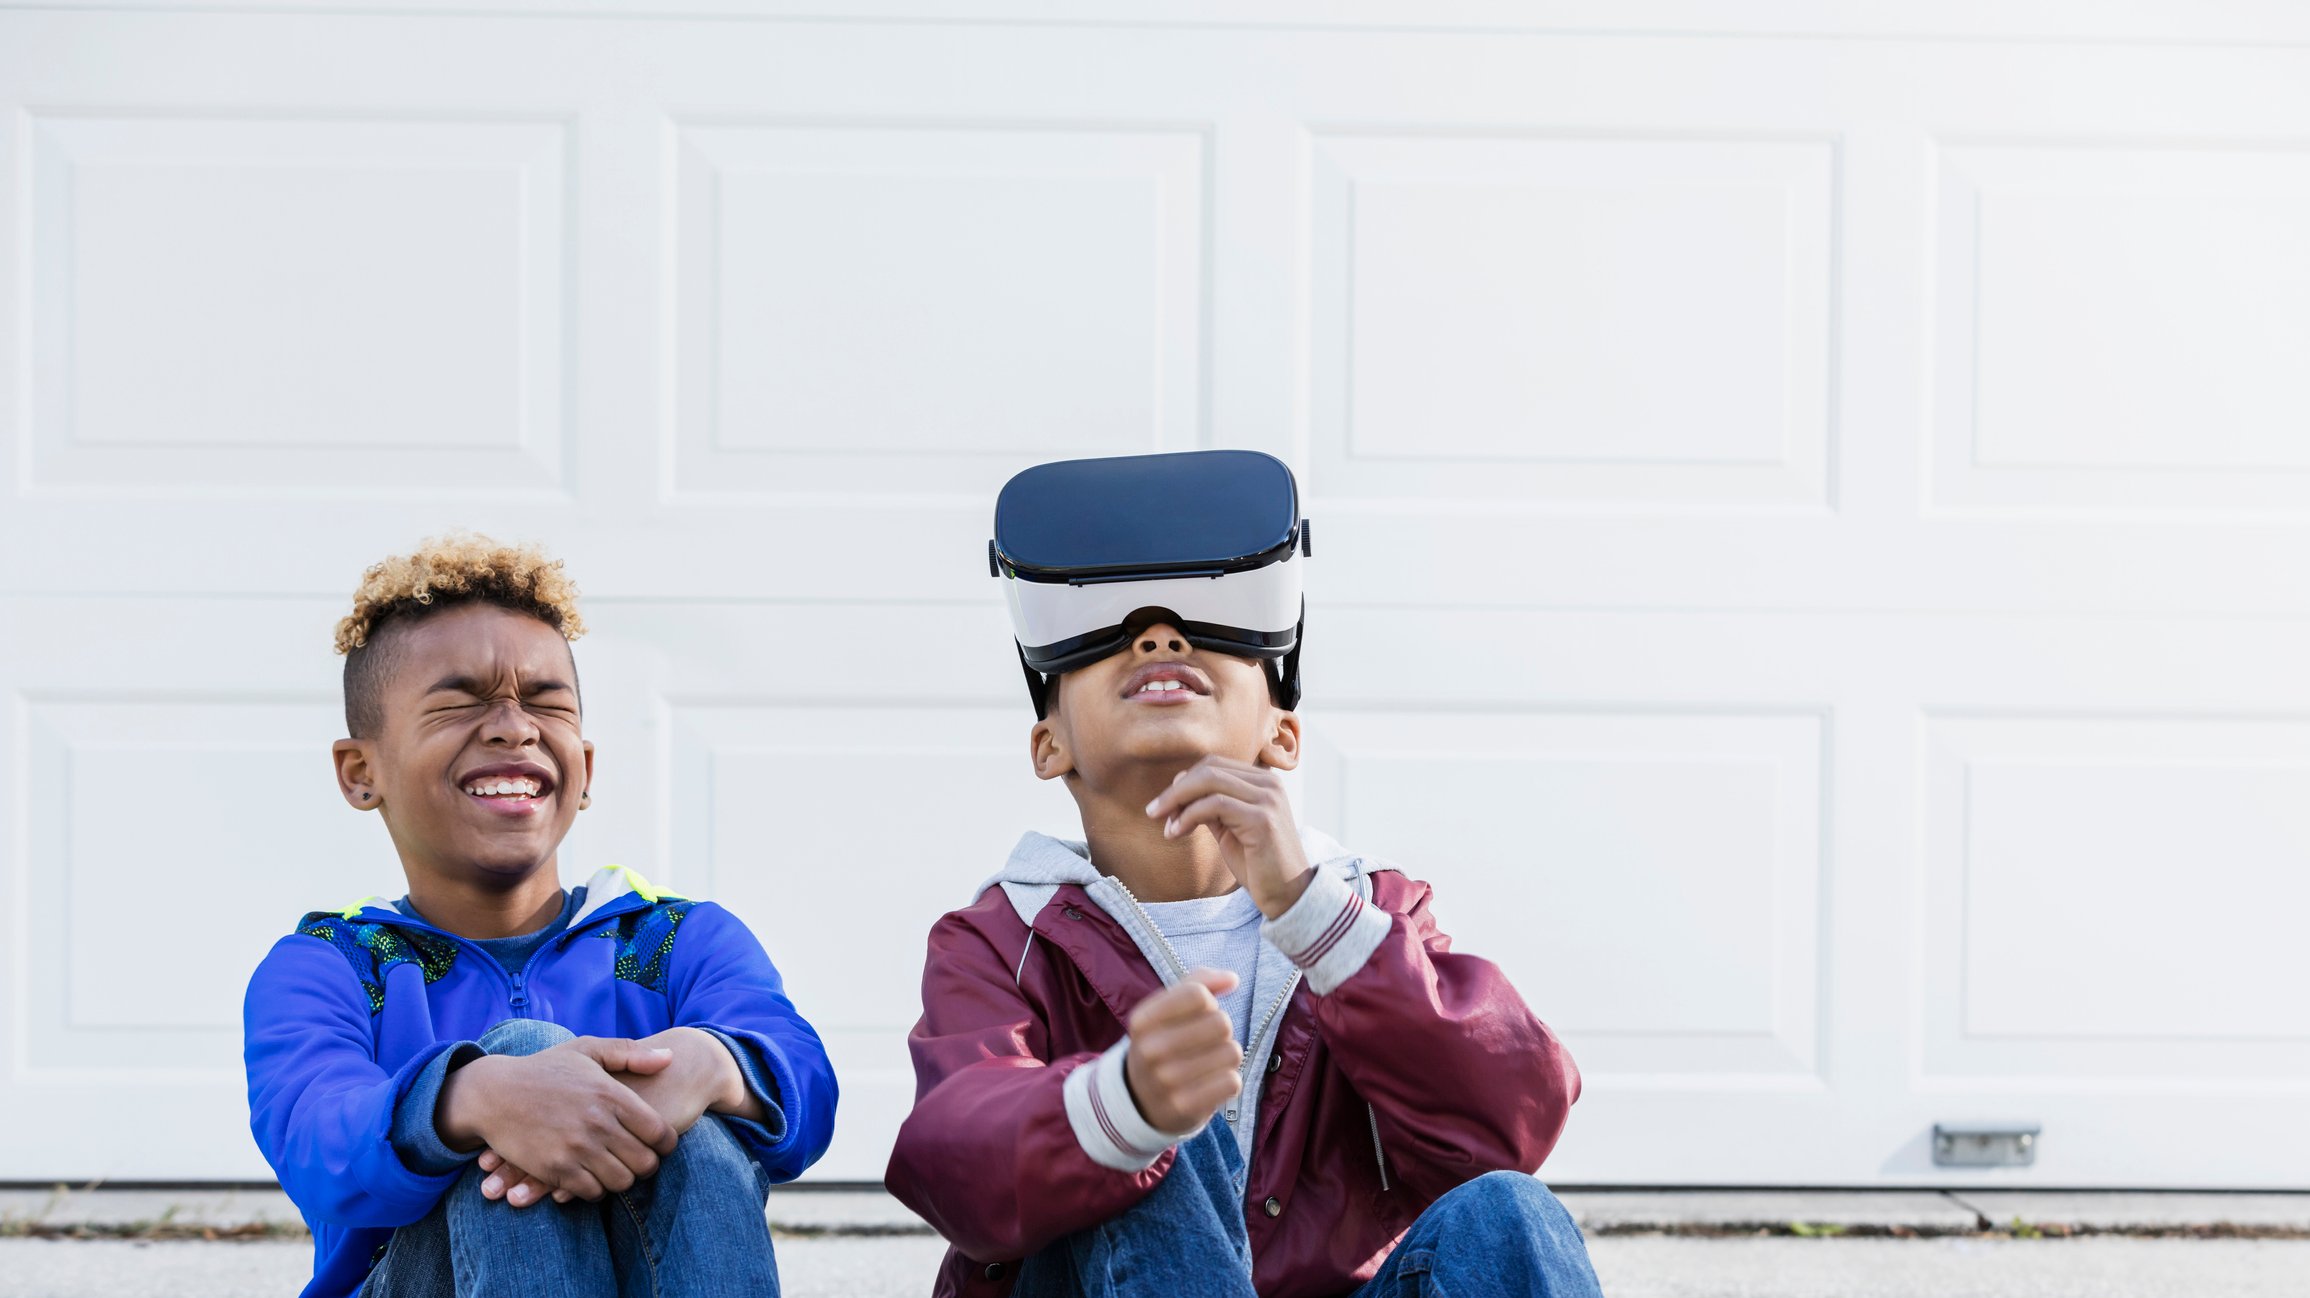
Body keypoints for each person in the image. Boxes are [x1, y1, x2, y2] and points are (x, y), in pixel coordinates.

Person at [886, 451, 1602, 1296]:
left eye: (1206, 623)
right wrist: (1120, 1106)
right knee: (1147, 1131)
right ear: (1049, 746)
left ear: (1282, 737)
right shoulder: (1000, 941)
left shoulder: (1376, 915)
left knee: (1507, 1213)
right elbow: (955, 1167)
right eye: (1108, 635)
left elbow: (1508, 1124)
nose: (1157, 634)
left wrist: (1315, 916)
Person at [244, 535, 835, 1298]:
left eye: (546, 701)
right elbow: (315, 1140)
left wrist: (708, 1067)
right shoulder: (328, 965)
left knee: (703, 1102)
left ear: (585, 769)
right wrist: (473, 1099)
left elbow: (807, 1085)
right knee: (522, 1054)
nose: (513, 726)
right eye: (459, 701)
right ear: (363, 773)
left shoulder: (682, 939)